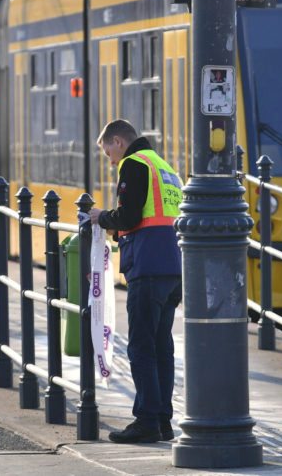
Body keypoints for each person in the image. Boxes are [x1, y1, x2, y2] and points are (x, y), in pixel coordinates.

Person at [88, 119, 183, 444]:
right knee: (161, 347)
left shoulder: (133, 163)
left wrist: (103, 217)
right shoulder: (164, 167)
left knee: (141, 347)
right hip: (172, 268)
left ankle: (146, 422)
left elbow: (130, 217)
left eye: (108, 152)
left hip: (147, 265)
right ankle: (163, 421)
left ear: (118, 141)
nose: (110, 161)